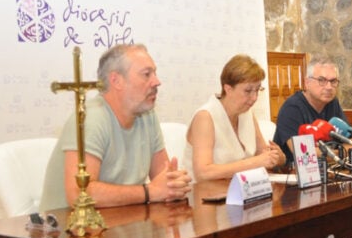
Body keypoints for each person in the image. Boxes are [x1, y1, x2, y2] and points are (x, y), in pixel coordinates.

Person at [39, 44, 192, 211]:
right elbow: (78, 193)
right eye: (147, 74)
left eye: (155, 73)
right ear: (116, 81)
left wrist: (174, 184)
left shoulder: (147, 115)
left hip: (120, 221)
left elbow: (164, 179)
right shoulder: (90, 118)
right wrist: (149, 192)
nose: (157, 81)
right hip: (68, 229)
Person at [183, 54, 285, 181]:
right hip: (204, 195)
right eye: (248, 91)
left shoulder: (247, 113)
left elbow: (263, 154)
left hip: (239, 191)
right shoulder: (205, 116)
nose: (254, 98)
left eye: (258, 90)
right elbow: (203, 173)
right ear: (228, 89)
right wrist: (255, 163)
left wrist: (278, 157)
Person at [273, 54, 352, 165]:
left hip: (328, 170)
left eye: (333, 81)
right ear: (307, 83)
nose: (329, 87)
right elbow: (304, 154)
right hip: (293, 176)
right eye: (322, 80)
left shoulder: (332, 103)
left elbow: (349, 141)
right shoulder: (292, 108)